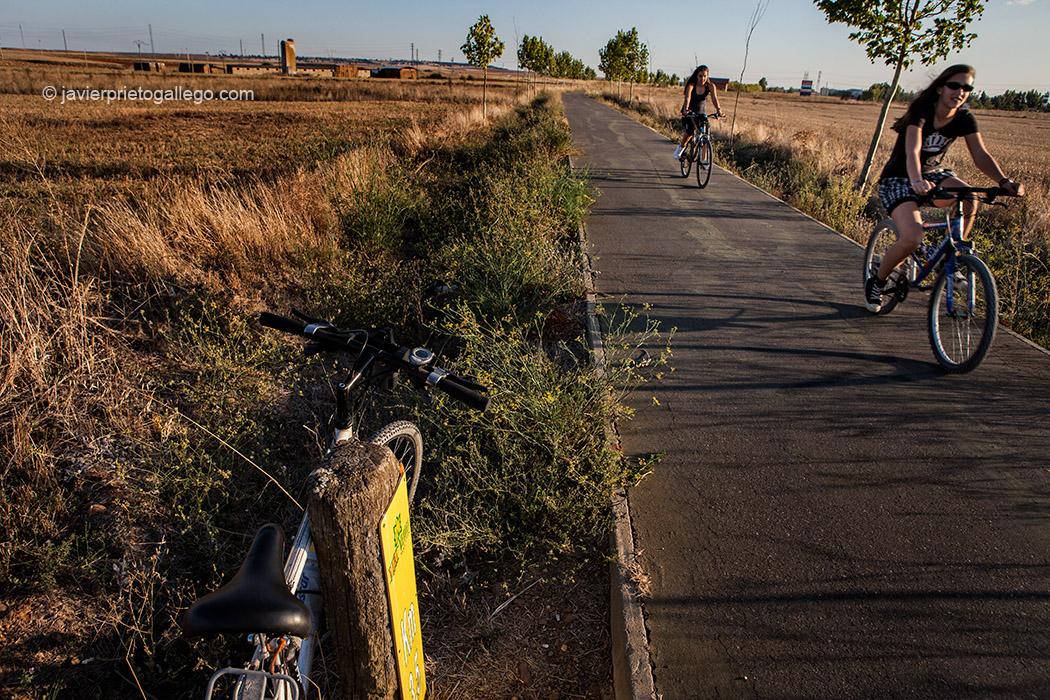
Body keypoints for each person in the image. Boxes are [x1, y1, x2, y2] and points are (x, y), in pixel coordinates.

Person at [865, 64, 1024, 312]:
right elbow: (913, 151)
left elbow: (980, 155)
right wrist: (916, 180)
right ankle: (878, 281)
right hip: (899, 178)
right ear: (940, 88)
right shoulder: (921, 111)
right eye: (954, 85)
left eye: (967, 88)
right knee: (912, 238)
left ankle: (953, 255)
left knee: (970, 197)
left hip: (933, 176)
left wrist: (1004, 182)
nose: (960, 92)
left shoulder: (964, 118)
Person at [674, 65, 723, 160]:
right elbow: (687, 98)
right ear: (696, 76)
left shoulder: (710, 86)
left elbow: (714, 99)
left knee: (706, 135)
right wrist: (686, 109)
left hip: (701, 113)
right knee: (689, 132)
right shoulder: (691, 85)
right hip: (689, 112)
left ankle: (704, 160)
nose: (702, 78)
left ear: (707, 76)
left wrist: (719, 110)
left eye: (705, 76)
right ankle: (680, 149)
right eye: (700, 76)